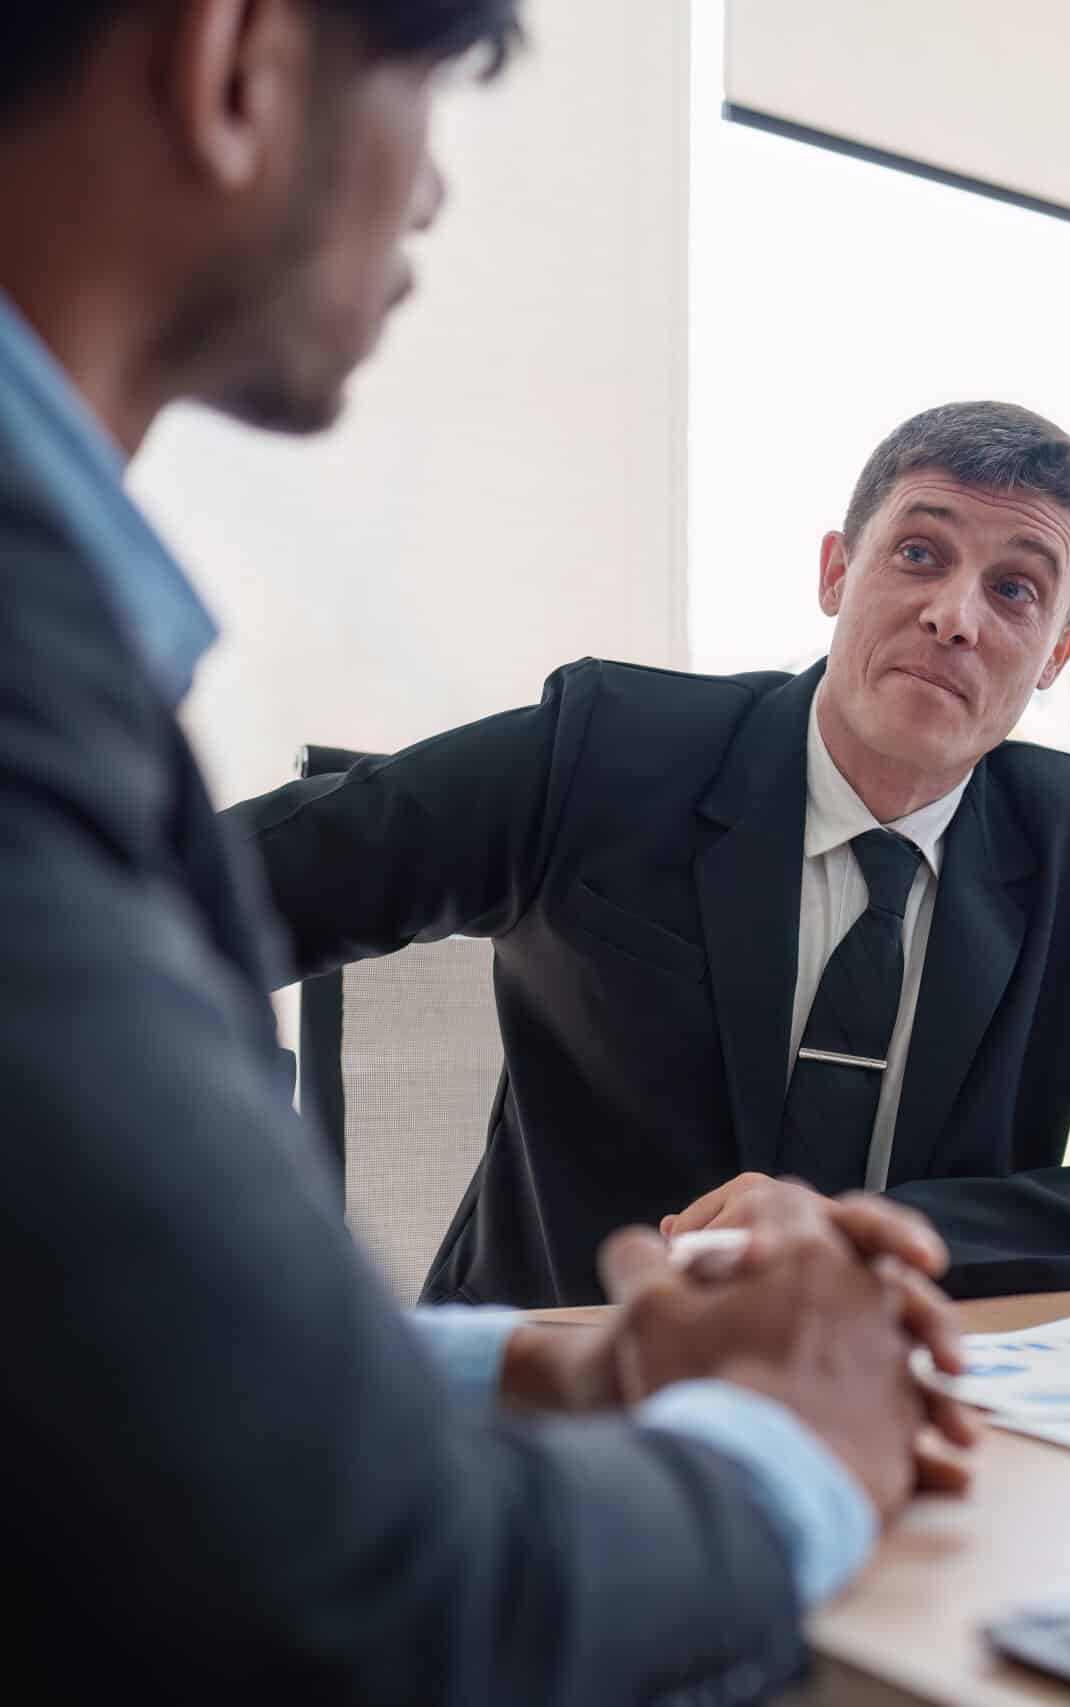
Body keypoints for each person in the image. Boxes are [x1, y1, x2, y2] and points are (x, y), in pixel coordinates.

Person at [0, 3, 977, 1697]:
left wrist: (560, 1359)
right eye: (433, 90)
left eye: (1019, 591)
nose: (438, 195)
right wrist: (793, 1443)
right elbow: (368, 1594)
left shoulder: (65, 637)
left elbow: (110, 1357)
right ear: (235, 65)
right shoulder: (33, 673)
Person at [222, 399, 1070, 1308]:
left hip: (896, 1404)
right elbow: (204, 890)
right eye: (918, 553)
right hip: (557, 1387)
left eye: (1014, 590)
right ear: (835, 572)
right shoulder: (604, 752)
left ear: (1056, 653)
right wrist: (226, 1165)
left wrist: (872, 1234)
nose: (954, 615)